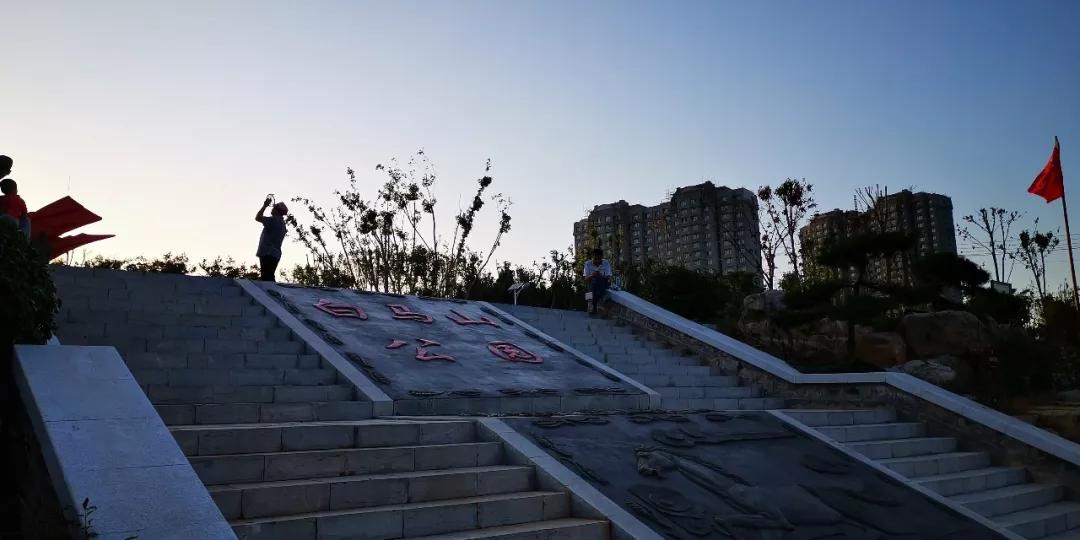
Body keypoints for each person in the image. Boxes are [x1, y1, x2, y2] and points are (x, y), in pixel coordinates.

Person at [254, 196, 288, 282]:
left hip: (267, 252)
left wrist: (265, 205)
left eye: (274, 208)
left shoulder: (273, 220)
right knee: (269, 277)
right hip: (275, 254)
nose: (272, 209)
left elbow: (258, 217)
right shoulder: (282, 224)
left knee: (266, 279)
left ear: (277, 210)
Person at [583, 247, 612, 315]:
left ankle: (594, 305)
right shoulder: (587, 264)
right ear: (592, 257)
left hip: (603, 282)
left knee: (598, 280)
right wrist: (593, 275)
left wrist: (600, 276)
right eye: (595, 259)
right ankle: (595, 303)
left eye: (599, 259)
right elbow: (585, 279)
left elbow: (608, 277)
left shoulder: (606, 263)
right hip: (591, 284)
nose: (597, 261)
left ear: (602, 257)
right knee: (592, 283)